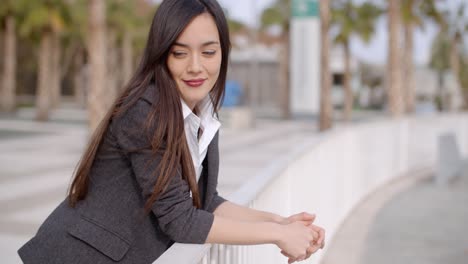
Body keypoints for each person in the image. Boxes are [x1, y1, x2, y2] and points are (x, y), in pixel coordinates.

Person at [18, 0, 325, 263]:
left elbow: (205, 201)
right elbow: (180, 220)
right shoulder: (145, 111)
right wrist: (277, 235)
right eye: (180, 53)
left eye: (208, 52)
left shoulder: (201, 112)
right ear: (161, 54)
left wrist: (281, 223)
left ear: (223, 53)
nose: (196, 67)